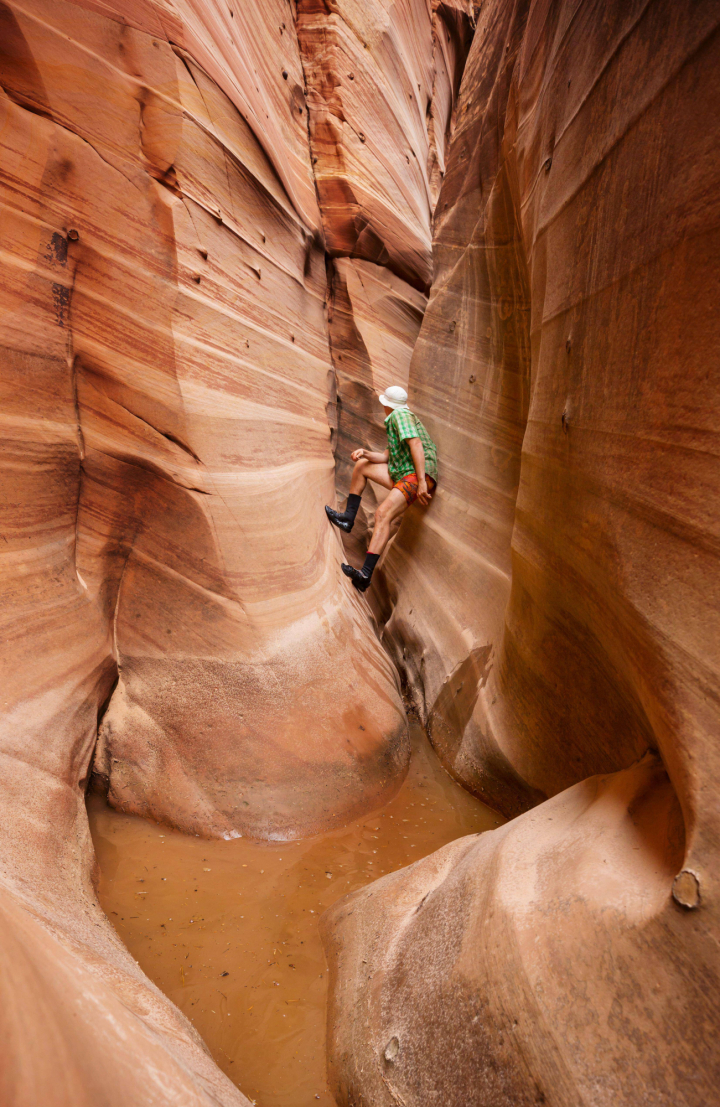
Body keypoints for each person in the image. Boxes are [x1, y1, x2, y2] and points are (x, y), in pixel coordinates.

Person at [325, 385, 438, 591]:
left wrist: (422, 481)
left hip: (415, 474)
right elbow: (385, 457)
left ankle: (365, 575)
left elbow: (416, 445)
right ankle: (348, 518)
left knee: (383, 513)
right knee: (362, 466)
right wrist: (365, 453)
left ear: (388, 405)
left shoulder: (400, 416)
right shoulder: (398, 420)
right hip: (404, 473)